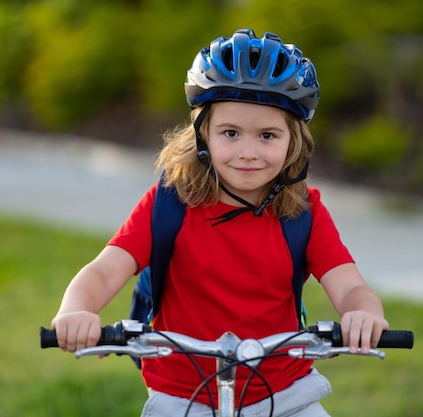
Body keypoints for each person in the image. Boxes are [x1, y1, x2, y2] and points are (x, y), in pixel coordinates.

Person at [50, 29, 389, 417]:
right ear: (202, 135)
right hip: (181, 397)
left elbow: (350, 287)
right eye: (230, 133)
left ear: (294, 141)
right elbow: (105, 270)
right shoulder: (170, 203)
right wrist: (77, 310)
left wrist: (363, 313)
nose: (249, 153)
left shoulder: (304, 212)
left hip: (285, 395)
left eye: (267, 135)